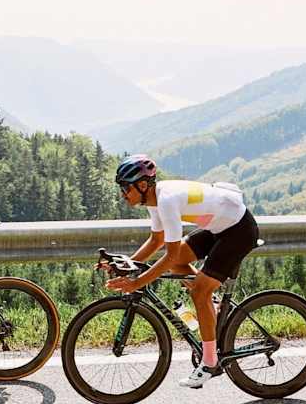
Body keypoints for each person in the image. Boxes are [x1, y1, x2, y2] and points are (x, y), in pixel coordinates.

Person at [105, 154, 260, 389]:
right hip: (218, 227)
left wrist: (137, 283)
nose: (123, 194)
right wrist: (128, 264)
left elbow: (170, 254)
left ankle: (209, 362)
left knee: (198, 292)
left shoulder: (166, 200)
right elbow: (157, 240)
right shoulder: (154, 201)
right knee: (183, 267)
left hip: (239, 230)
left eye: (126, 188)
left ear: (143, 185)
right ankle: (212, 305)